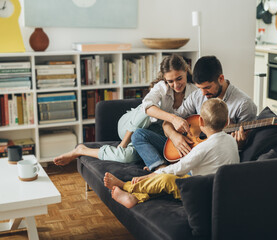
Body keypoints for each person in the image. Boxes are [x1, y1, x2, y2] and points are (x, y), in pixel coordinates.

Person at [53, 54, 198, 166]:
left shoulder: (194, 92)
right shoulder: (161, 87)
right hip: (129, 125)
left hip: (149, 132)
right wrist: (173, 118)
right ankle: (123, 144)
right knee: (148, 109)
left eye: (179, 78)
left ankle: (81, 150)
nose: (176, 84)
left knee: (125, 157)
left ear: (186, 70)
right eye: (170, 81)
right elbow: (146, 106)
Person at [103, 98, 239, 208]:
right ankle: (136, 197)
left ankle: (125, 186)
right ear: (227, 121)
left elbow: (178, 168)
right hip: (220, 191)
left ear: (201, 121)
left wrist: (151, 175)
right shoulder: (232, 141)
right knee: (173, 179)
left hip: (201, 192)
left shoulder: (203, 147)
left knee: (166, 180)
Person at [131, 55, 257, 170]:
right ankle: (160, 168)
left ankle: (164, 172)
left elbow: (242, 150)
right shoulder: (197, 96)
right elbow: (167, 124)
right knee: (138, 135)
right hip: (189, 146)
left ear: (221, 78)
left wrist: (240, 144)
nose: (203, 94)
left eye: (207, 88)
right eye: (200, 88)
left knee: (194, 171)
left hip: (207, 156)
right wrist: (175, 137)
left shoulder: (244, 104)